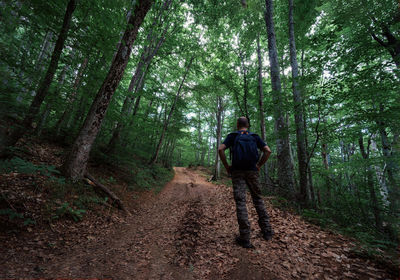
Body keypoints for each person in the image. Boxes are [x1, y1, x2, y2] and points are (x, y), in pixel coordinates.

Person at [218, 116, 274, 248]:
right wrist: (259, 165)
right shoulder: (254, 136)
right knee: (258, 199)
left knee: (241, 203)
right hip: (252, 171)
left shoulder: (233, 136)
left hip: (237, 171)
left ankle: (245, 238)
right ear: (248, 125)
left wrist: (227, 166)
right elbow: (268, 151)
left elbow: (220, 149)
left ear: (237, 124)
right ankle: (267, 231)